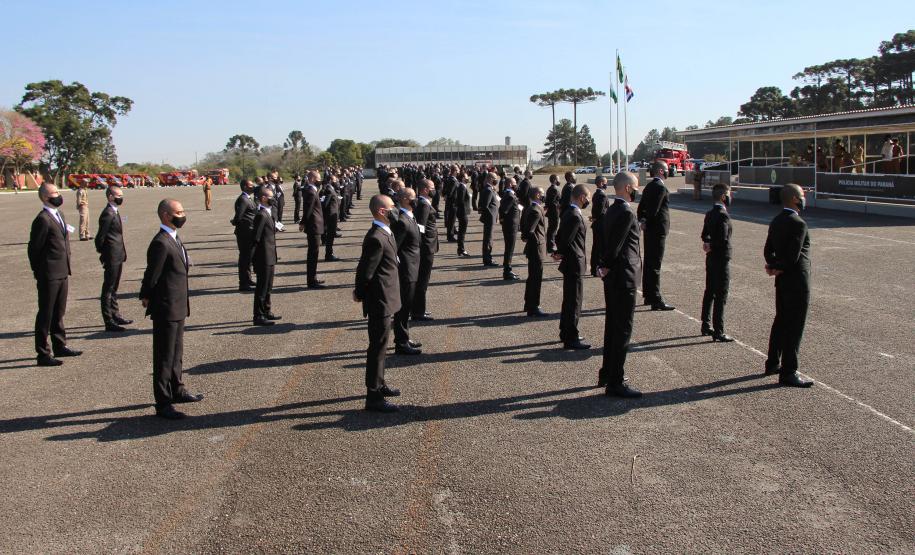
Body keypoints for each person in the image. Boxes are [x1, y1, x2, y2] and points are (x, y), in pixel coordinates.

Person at [140, 199, 203, 419]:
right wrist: (146, 295)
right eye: (179, 212)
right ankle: (163, 402)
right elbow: (152, 275)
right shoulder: (160, 242)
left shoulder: (174, 238)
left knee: (177, 353)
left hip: (178, 304)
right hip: (166, 306)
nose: (183, 215)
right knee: (164, 357)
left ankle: (178, 389)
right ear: (166, 215)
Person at [354, 194, 403, 413]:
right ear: (382, 211)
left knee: (383, 345)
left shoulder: (386, 231)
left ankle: (380, 384)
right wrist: (360, 293)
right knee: (377, 347)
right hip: (379, 300)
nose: (396, 209)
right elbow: (365, 271)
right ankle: (372, 395)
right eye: (392, 207)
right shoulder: (376, 237)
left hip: (387, 297)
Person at [597, 171, 643, 398]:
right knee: (622, 329)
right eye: (635, 186)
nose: (637, 190)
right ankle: (615, 381)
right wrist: (605, 264)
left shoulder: (612, 209)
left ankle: (607, 372)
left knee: (612, 326)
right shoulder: (625, 212)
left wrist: (602, 265)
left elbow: (604, 241)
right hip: (623, 276)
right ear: (626, 188)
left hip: (613, 276)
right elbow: (615, 244)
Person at [763, 184, 814, 388]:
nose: (804, 198)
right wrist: (780, 267)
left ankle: (772, 362)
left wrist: (773, 266)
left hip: (782, 279)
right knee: (794, 326)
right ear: (794, 199)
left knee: (781, 321)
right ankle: (789, 371)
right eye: (802, 195)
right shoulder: (798, 223)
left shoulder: (776, 220)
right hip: (797, 281)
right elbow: (794, 257)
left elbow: (768, 250)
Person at [28, 183, 82, 366]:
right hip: (49, 273)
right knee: (46, 313)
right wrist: (39, 271)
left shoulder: (59, 215)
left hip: (62, 271)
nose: (58, 195)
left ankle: (60, 345)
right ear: (44, 197)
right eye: (54, 193)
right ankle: (43, 353)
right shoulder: (42, 219)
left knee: (59, 311)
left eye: (58, 192)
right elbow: (34, 249)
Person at [553, 183, 591, 350]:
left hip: (570, 261)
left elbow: (560, 235)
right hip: (575, 262)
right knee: (574, 301)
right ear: (582, 197)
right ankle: (571, 337)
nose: (588, 201)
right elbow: (566, 238)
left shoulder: (568, 211)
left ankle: (565, 331)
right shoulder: (575, 215)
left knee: (569, 300)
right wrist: (560, 252)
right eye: (588, 198)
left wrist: (559, 251)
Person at [637, 160, 675, 311]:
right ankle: (655, 298)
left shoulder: (649, 186)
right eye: (666, 169)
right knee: (655, 264)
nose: (668, 171)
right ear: (660, 171)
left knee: (649, 262)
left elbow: (642, 208)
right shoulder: (660, 187)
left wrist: (643, 220)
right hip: (657, 229)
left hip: (650, 229)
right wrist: (647, 220)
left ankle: (648, 294)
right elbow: (654, 210)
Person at [95, 185, 132, 332]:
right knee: (108, 288)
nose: (121, 197)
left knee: (114, 287)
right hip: (111, 256)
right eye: (118, 195)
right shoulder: (107, 214)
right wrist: (104, 254)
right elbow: (100, 238)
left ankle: (115, 314)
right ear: (110, 196)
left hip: (118, 254)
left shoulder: (114, 211)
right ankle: (108, 320)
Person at [700, 184, 734, 342]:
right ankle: (718, 330)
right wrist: (712, 244)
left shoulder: (710, 213)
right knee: (721, 294)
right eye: (728, 194)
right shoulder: (723, 215)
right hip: (721, 258)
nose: (730, 197)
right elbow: (723, 239)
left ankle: (705, 324)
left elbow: (704, 234)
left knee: (709, 291)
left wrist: (708, 243)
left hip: (711, 257)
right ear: (723, 197)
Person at [391, 188, 422, 355]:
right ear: (403, 199)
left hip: (413, 267)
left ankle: (404, 336)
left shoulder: (410, 216)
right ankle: (401, 343)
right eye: (412, 198)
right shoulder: (402, 221)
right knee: (403, 308)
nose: (415, 200)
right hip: (406, 269)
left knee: (407, 306)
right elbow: (394, 247)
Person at [252, 186, 281, 327]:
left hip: (270, 255)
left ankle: (267, 310)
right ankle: (258, 315)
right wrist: (254, 261)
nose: (273, 199)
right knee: (262, 288)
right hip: (263, 257)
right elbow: (255, 239)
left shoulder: (267, 213)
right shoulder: (261, 215)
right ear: (263, 198)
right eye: (271, 197)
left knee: (268, 286)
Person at [412, 179, 438, 322]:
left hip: (428, 245)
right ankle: (418, 312)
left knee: (423, 280)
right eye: (432, 187)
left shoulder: (425, 203)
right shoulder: (423, 204)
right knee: (422, 280)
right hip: (426, 246)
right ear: (425, 190)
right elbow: (420, 227)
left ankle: (418, 309)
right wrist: (420, 246)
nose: (435, 189)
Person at [520, 186, 548, 317]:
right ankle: (533, 306)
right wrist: (531, 239)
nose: (544, 196)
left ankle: (528, 304)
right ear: (537, 195)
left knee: (532, 277)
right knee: (536, 278)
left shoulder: (529, 208)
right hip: (537, 248)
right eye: (542, 194)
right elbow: (529, 230)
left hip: (533, 248)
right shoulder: (536, 210)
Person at [299, 170, 326, 288]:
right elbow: (308, 210)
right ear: (312, 179)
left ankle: (313, 278)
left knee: (314, 253)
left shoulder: (313, 190)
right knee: (313, 254)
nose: (320, 181)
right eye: (318, 179)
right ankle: (311, 281)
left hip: (315, 225)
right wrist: (303, 222)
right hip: (313, 226)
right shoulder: (310, 191)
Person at [231, 179, 257, 292]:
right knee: (245, 259)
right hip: (244, 233)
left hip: (249, 232)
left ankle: (248, 279)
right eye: (251, 186)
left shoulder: (248, 198)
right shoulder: (243, 199)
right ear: (245, 187)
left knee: (248, 258)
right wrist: (236, 223)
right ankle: (243, 283)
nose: (253, 187)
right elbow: (238, 217)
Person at [499, 176, 521, 280]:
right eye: (515, 182)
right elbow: (503, 210)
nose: (516, 184)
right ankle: (507, 271)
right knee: (509, 249)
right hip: (510, 226)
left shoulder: (508, 194)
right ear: (511, 184)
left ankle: (507, 269)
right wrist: (503, 220)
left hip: (509, 225)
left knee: (509, 248)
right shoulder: (510, 196)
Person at [589, 176, 609, 277]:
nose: (607, 184)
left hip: (597, 224)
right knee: (600, 248)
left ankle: (594, 269)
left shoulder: (596, 194)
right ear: (601, 183)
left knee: (596, 247)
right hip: (601, 225)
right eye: (605, 182)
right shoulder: (602, 195)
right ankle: (598, 269)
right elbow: (601, 211)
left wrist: (594, 217)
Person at [478, 172, 499, 267]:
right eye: (495, 178)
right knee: (488, 240)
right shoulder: (488, 190)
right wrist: (491, 217)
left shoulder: (490, 189)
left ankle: (487, 258)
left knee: (488, 239)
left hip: (490, 218)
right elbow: (485, 206)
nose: (496, 180)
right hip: (489, 219)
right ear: (490, 178)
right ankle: (487, 260)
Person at [452, 170, 472, 257]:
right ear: (463, 178)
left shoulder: (461, 186)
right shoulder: (462, 187)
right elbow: (460, 200)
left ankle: (460, 249)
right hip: (462, 212)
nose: (468, 178)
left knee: (461, 231)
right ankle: (461, 249)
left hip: (462, 211)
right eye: (467, 177)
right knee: (462, 232)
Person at [321, 175, 341, 262]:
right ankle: (329, 255)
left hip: (333, 215)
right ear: (330, 180)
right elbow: (325, 204)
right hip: (330, 215)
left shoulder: (331, 188)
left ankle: (329, 254)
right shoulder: (329, 190)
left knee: (331, 236)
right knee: (330, 236)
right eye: (334, 180)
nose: (336, 181)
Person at [544, 174, 560, 253]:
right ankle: (550, 246)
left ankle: (550, 244)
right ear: (554, 180)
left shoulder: (551, 188)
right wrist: (559, 205)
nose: (559, 180)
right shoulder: (554, 189)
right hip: (554, 212)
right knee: (553, 229)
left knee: (552, 228)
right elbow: (552, 202)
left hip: (552, 212)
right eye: (558, 179)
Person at [443, 167, 457, 241]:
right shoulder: (453, 180)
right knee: (451, 220)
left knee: (452, 219)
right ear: (454, 171)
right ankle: (450, 236)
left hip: (451, 202)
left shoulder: (451, 179)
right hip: (452, 202)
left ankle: (453, 231)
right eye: (456, 170)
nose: (458, 172)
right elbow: (450, 192)